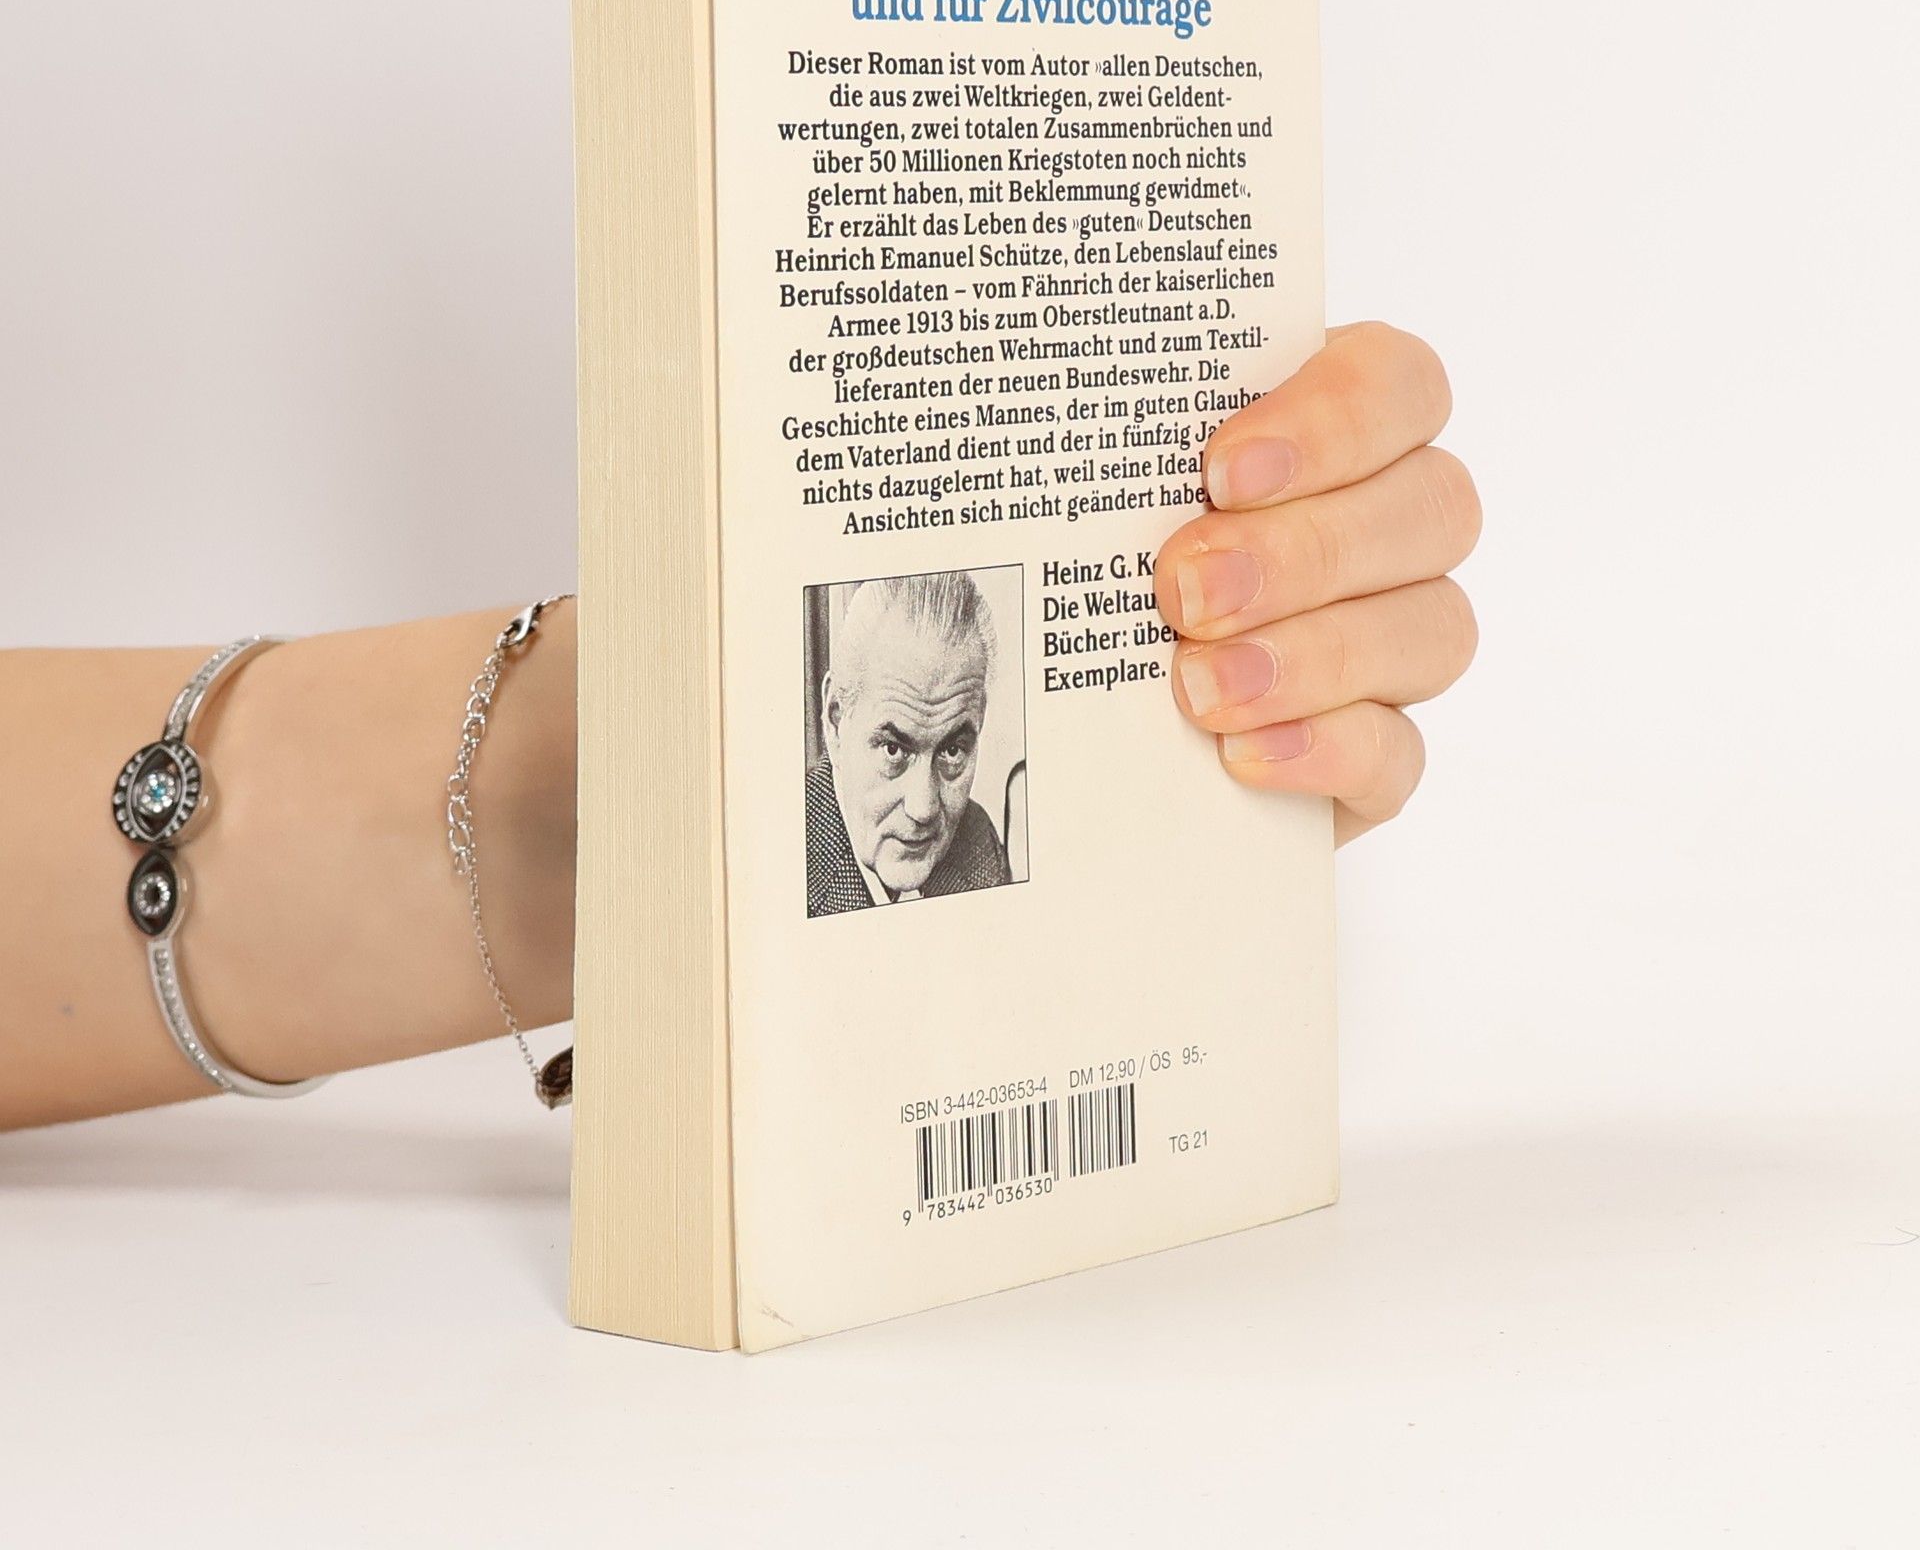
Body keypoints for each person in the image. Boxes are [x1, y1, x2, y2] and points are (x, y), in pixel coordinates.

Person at [0, 322, 1480, 1132]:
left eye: (952, 748)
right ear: (828, 719)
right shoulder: (820, 845)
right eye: (888, 746)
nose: (925, 799)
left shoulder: (978, 852)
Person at [807, 571, 1011, 916]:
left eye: (952, 751)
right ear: (836, 721)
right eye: (893, 750)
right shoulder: (780, 865)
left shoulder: (978, 843)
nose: (923, 809)